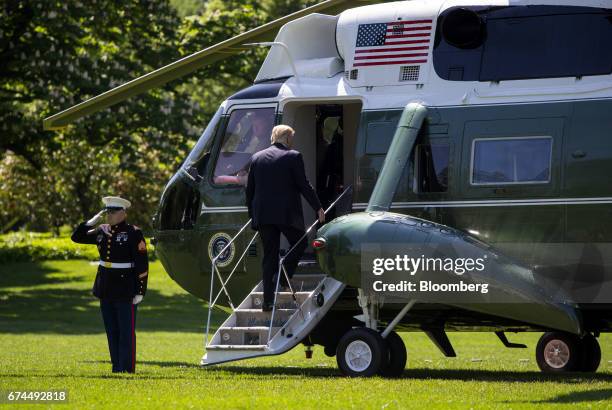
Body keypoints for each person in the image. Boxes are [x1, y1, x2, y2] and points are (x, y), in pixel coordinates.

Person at [245, 125, 325, 311]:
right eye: (292, 138)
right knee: (300, 243)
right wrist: (318, 207)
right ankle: (282, 277)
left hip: (263, 214)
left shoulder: (256, 158)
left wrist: (252, 215)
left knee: (269, 256)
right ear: (288, 138)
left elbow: (250, 191)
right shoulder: (293, 156)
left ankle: (267, 301)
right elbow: (304, 185)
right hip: (285, 213)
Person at [70, 196, 149, 373]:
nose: (109, 216)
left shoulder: (133, 233)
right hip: (105, 287)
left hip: (125, 288)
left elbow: (142, 264)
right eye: (107, 212)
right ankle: (117, 367)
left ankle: (127, 368)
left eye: (112, 212)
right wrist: (91, 222)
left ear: (123, 213)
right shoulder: (102, 230)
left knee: (125, 331)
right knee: (112, 330)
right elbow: (76, 237)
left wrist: (140, 291)